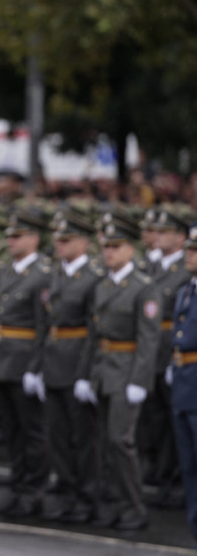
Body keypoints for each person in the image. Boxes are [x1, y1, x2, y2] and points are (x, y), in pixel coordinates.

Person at [75, 209, 160, 531]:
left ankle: (134, 506)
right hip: (102, 371)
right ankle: (113, 502)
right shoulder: (103, 286)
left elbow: (148, 340)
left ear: (130, 249)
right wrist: (85, 374)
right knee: (103, 442)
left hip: (127, 373)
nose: (107, 252)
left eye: (115, 246)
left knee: (120, 442)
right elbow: (94, 336)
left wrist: (140, 380)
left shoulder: (143, 287)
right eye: (105, 246)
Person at [34, 209, 102, 523]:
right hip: (52, 361)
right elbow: (42, 324)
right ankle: (64, 492)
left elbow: (93, 328)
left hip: (76, 362)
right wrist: (36, 367)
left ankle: (86, 497)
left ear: (83, 242)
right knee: (57, 435)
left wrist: (86, 373)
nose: (59, 244)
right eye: (58, 239)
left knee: (82, 438)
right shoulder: (54, 274)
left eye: (66, 239)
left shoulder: (93, 277)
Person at [0, 206, 52, 517]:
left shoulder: (42, 273)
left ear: (34, 238)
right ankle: (17, 487)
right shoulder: (8, 271)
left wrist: (36, 368)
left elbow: (44, 326)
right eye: (9, 236)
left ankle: (33, 491)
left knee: (32, 433)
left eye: (17, 236)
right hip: (4, 362)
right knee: (13, 432)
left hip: (25, 361)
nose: (11, 242)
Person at [139, 205, 191, 507]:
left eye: (165, 232)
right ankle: (158, 472)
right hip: (150, 351)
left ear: (180, 237)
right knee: (153, 417)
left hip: (172, 349)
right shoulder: (151, 265)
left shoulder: (185, 269)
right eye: (155, 231)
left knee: (174, 421)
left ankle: (173, 480)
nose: (157, 237)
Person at [170, 222, 197, 547]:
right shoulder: (185, 289)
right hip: (183, 384)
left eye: (194, 251)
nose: (189, 255)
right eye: (188, 249)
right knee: (189, 465)